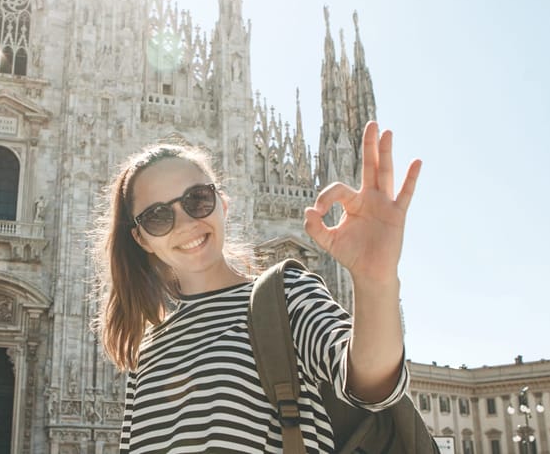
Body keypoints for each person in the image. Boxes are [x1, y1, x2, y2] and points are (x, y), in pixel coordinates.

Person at [94, 121, 422, 453]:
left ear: (223, 203)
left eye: (197, 199)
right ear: (141, 238)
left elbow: (371, 383)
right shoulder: (148, 350)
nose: (186, 223)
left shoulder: (284, 298)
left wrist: (376, 281)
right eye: (157, 216)